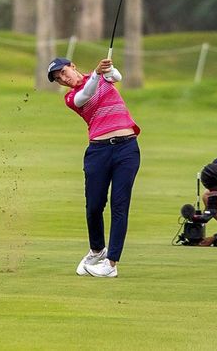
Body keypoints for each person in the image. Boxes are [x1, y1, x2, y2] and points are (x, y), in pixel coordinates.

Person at [47, 55, 141, 278]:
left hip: (127, 148)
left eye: (63, 72)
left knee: (120, 205)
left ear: (73, 66)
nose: (63, 78)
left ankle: (111, 263)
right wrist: (98, 73)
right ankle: (97, 250)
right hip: (98, 151)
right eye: (58, 78)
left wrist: (107, 70)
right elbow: (85, 97)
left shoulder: (100, 77)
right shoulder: (71, 97)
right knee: (94, 206)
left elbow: (116, 76)